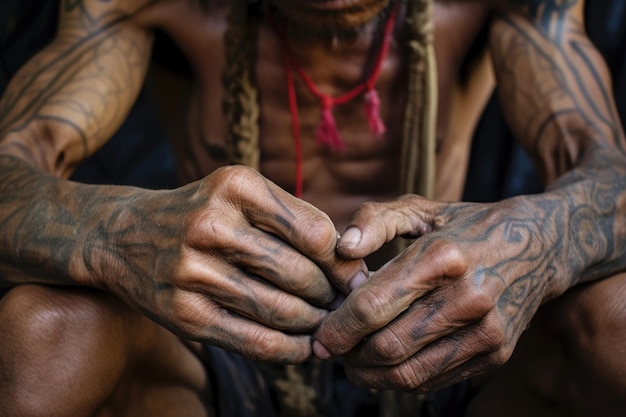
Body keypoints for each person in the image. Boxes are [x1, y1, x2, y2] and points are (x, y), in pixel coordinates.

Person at [0, 1, 624, 417]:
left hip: (451, 337)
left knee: (617, 322)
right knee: (39, 333)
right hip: (215, 338)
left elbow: (612, 177)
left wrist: (538, 243)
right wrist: (117, 236)